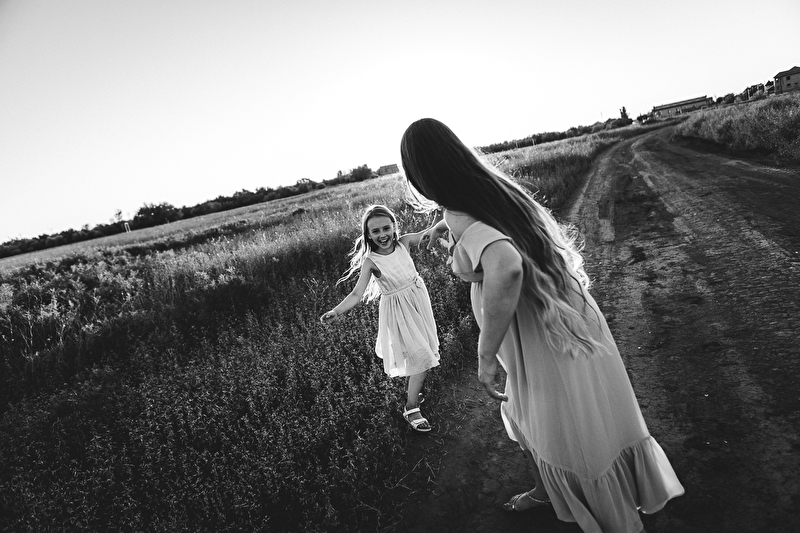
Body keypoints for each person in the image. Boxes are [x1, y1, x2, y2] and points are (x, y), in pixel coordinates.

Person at [401, 118, 684, 532]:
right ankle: (554, 490)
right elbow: (479, 226)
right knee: (581, 407)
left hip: (537, 331)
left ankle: (591, 506)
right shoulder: (491, 189)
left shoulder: (462, 214)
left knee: (558, 422)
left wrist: (485, 354)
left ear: (420, 175)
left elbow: (507, 266)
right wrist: (437, 227)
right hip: (561, 311)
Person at [320, 204, 440, 432]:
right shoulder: (371, 261)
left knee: (423, 347)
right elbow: (357, 294)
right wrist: (336, 311)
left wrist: (444, 215)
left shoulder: (404, 242)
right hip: (399, 311)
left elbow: (428, 234)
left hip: (418, 301)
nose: (382, 234)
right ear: (368, 235)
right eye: (375, 231)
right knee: (422, 356)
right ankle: (411, 407)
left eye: (386, 228)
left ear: (394, 227)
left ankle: (414, 391)